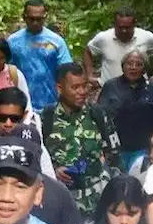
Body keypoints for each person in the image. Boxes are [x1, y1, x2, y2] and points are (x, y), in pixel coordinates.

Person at [42, 63, 123, 215]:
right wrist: (54, 169)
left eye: (84, 86)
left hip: (98, 199)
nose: (82, 92)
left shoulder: (98, 114)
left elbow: (114, 154)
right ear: (59, 88)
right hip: (62, 200)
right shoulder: (46, 118)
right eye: (75, 87)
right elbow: (39, 158)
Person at [97, 48, 153, 169]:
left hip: (143, 147)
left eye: (139, 64)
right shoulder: (110, 86)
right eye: (129, 63)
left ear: (144, 68)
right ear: (123, 66)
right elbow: (100, 116)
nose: (133, 67)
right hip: (116, 148)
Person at [9, 0, 74, 110]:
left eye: (39, 19)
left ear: (45, 17)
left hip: (51, 103)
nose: (35, 22)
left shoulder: (56, 41)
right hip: (21, 104)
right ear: (24, 17)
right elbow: (6, 71)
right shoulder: (13, 41)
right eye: (31, 18)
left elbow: (67, 72)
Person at [83, 6, 153, 86]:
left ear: (134, 24)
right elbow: (88, 51)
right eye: (121, 27)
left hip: (139, 90)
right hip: (110, 91)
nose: (124, 31)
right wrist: (90, 75)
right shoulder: (103, 38)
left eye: (127, 27)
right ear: (114, 24)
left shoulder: (145, 37)